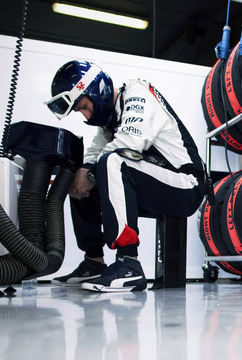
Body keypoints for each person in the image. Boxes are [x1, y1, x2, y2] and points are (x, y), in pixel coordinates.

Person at [46, 60, 206, 292]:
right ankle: (94, 262)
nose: (86, 115)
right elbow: (93, 154)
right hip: (159, 183)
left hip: (187, 184)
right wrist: (83, 173)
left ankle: (128, 264)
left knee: (112, 161)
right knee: (82, 173)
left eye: (83, 106)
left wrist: (90, 175)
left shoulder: (136, 93)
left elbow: (130, 143)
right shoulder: (110, 121)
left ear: (96, 91)